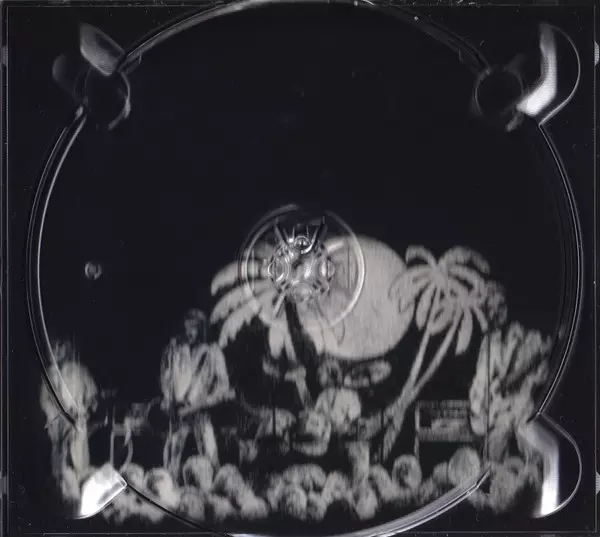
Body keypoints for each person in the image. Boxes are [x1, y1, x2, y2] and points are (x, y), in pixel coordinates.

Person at [160, 309, 233, 481]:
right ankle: (168, 487)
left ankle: (215, 484)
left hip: (200, 409)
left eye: (194, 328)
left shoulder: (213, 351)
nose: (190, 332)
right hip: (178, 410)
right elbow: (165, 377)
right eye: (187, 327)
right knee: (172, 453)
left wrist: (203, 402)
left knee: (209, 450)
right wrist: (169, 400)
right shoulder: (175, 350)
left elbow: (223, 386)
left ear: (202, 328)